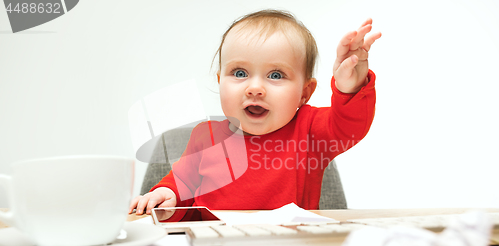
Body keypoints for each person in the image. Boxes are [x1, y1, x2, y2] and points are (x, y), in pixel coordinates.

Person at [130, 9, 381, 216]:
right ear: (220, 81)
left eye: (275, 75)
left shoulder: (310, 130)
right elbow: (180, 184)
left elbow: (348, 126)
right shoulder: (204, 137)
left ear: (305, 93)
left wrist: (350, 88)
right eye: (240, 73)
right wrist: (166, 194)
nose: (255, 88)